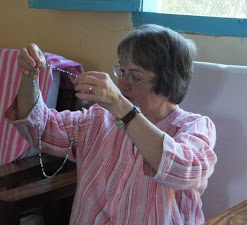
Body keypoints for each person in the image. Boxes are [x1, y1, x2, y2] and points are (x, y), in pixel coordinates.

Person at [5, 24, 217, 225]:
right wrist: (28, 75)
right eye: (121, 72)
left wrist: (119, 105)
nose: (122, 84)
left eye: (134, 76)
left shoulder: (193, 127)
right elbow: (39, 128)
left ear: (169, 80)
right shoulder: (98, 119)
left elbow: (182, 171)